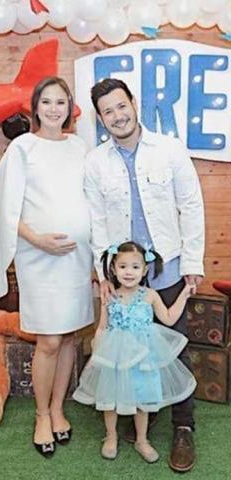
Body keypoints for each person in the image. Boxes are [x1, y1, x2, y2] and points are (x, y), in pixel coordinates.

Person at [84, 78, 205, 472]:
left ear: (133, 104)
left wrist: (192, 264)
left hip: (168, 269)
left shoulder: (169, 150)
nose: (117, 116)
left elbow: (191, 205)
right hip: (123, 276)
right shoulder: (96, 162)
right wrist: (103, 272)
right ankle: (142, 417)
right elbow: (97, 221)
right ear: (100, 119)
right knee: (129, 349)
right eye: (108, 111)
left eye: (121, 106)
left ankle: (183, 426)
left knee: (175, 346)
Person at [0, 76, 94, 458]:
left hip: (77, 258)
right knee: (49, 340)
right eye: (47, 102)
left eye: (61, 102)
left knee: (70, 336)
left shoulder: (80, 148)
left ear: (69, 107)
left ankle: (58, 409)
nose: (54, 109)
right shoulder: (22, 147)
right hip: (38, 257)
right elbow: (5, 206)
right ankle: (41, 415)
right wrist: (37, 239)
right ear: (35, 107)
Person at [73, 241, 196, 463]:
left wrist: (184, 294)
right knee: (110, 397)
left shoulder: (150, 295)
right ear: (113, 269)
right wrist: (97, 352)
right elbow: (102, 327)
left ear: (145, 269)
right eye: (123, 267)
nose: (129, 272)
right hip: (115, 355)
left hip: (144, 357)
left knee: (143, 398)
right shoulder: (110, 295)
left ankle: (142, 440)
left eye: (135, 267)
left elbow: (169, 318)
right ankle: (111, 436)